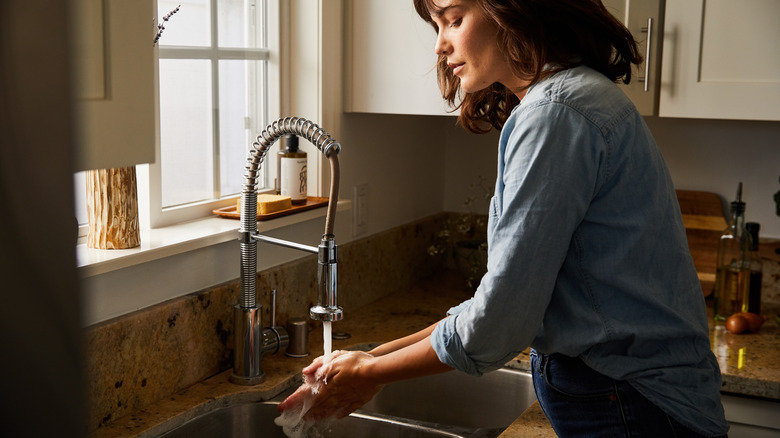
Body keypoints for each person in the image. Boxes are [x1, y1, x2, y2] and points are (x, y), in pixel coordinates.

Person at [279, 0, 729, 436]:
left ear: (510, 10)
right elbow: (501, 303)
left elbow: (500, 323)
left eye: (454, 19)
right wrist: (372, 362)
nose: (439, 45)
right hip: (642, 401)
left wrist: (373, 370)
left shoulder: (556, 114)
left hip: (634, 406)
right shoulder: (572, 98)